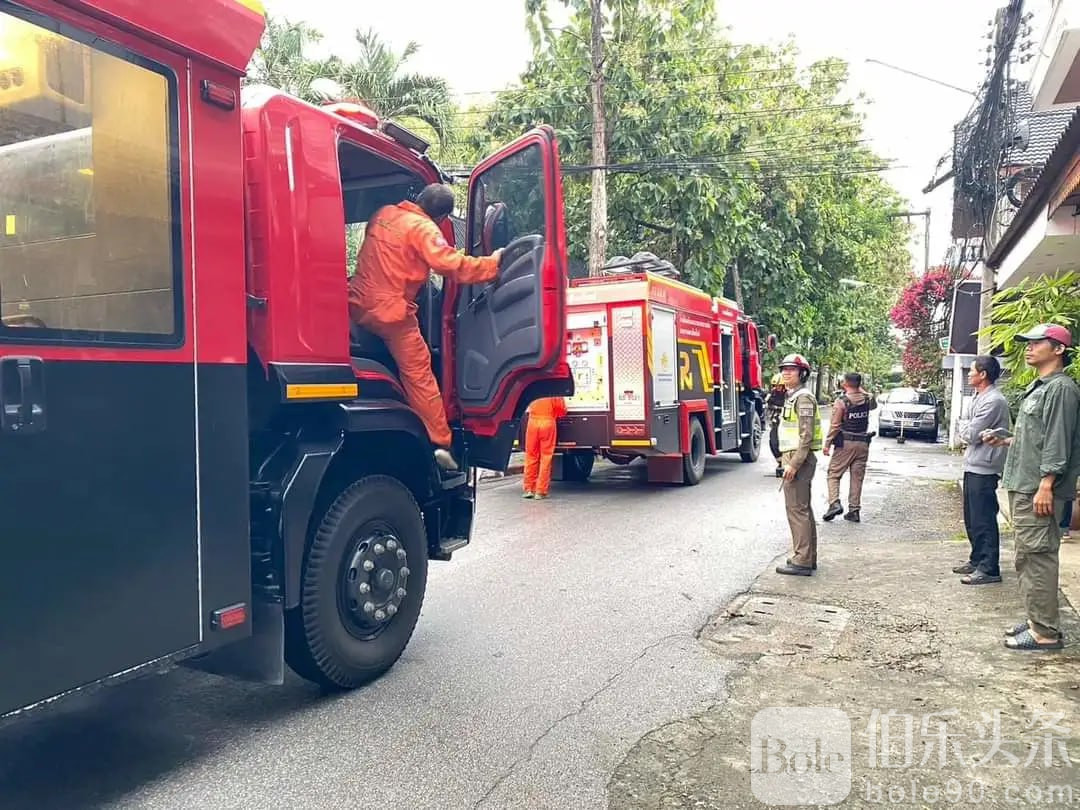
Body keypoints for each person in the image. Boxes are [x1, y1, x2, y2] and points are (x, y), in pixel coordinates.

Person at [349, 184, 503, 471]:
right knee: (419, 375)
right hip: (391, 314)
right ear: (443, 216)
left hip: (356, 304)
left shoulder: (383, 214)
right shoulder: (423, 229)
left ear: (417, 199)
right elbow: (452, 265)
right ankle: (440, 443)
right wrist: (493, 266)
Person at [984, 324, 1080, 651]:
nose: (1028, 348)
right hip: (1025, 485)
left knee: (1038, 557)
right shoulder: (1042, 387)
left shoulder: (1061, 389)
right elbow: (1038, 439)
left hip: (1038, 489)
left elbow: (1057, 441)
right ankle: (1036, 619)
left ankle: (1045, 632)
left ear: (1058, 350)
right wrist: (1008, 439)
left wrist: (1047, 484)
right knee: (1027, 555)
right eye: (1028, 343)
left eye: (1037, 343)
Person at [953, 356, 1010, 585]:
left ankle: (989, 567)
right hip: (973, 462)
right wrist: (965, 426)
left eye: (972, 371)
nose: (969, 374)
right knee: (972, 516)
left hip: (985, 467)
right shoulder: (979, 397)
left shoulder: (993, 400)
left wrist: (964, 426)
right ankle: (977, 559)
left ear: (983, 374)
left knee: (983, 517)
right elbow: (968, 429)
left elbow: (969, 433)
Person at [775, 354, 823, 577]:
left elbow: (806, 435)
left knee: (796, 509)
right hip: (794, 455)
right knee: (802, 508)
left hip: (798, 457)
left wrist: (793, 464)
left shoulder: (803, 398)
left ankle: (802, 560)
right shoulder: (793, 396)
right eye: (784, 369)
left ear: (802, 374)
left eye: (791, 370)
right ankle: (806, 556)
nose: (786, 373)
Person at [823, 372, 877, 523]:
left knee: (834, 474)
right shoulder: (868, 399)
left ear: (844, 383)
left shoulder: (842, 402)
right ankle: (854, 510)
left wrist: (827, 444)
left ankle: (834, 503)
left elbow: (835, 425)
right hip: (863, 443)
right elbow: (873, 405)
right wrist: (861, 390)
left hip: (845, 443)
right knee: (857, 478)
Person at [522, 396, 568, 500]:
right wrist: (554, 415)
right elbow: (562, 409)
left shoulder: (535, 388)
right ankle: (541, 491)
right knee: (546, 457)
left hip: (532, 423)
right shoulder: (554, 391)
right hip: (547, 422)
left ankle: (529, 489)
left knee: (531, 456)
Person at [766, 372, 787, 478]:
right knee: (773, 442)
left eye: (779, 386)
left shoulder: (789, 395)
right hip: (776, 421)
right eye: (775, 386)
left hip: (787, 423)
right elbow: (767, 404)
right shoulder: (772, 394)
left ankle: (786, 462)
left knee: (786, 442)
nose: (777, 388)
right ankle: (779, 461)